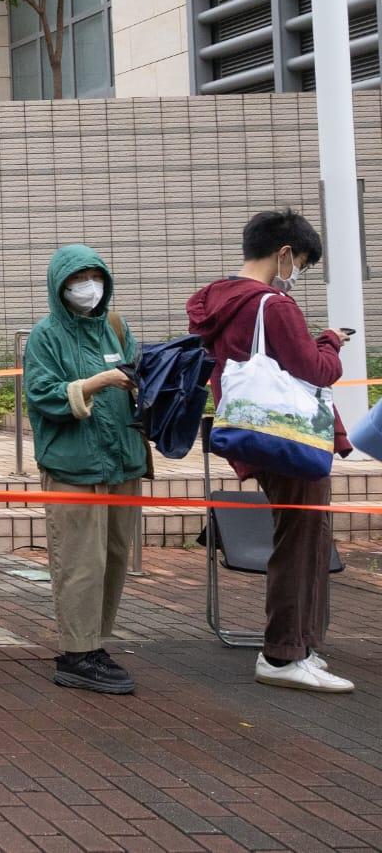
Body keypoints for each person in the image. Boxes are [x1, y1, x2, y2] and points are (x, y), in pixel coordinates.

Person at [190, 210, 354, 693]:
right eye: (299, 263)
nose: (296, 273)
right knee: (302, 545)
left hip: (254, 434)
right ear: (284, 253)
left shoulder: (218, 299)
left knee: (299, 539)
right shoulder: (272, 305)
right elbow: (315, 370)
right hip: (291, 440)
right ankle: (283, 654)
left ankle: (298, 646)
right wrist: (330, 343)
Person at [23, 244, 148, 695]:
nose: (88, 287)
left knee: (114, 558)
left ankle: (95, 643)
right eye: (77, 280)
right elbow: (41, 393)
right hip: (74, 466)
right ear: (59, 286)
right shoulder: (45, 336)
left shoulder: (116, 326)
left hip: (122, 462)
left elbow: (140, 379)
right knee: (80, 563)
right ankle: (77, 652)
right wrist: (94, 383)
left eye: (95, 277)